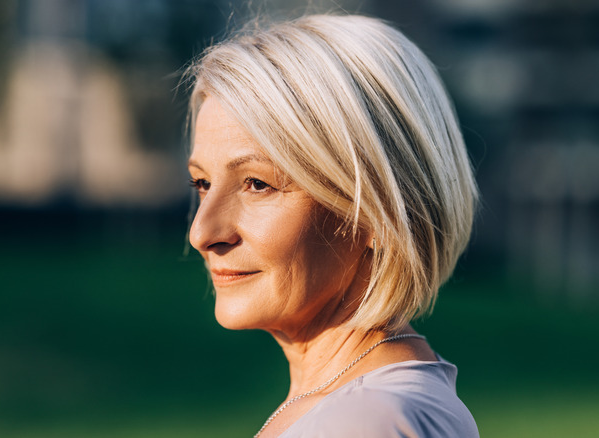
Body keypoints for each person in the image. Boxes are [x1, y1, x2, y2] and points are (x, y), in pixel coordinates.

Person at [185, 14, 479, 438]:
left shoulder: (365, 422)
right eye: (202, 183)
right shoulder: (354, 407)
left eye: (257, 184)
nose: (202, 233)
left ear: (379, 211)